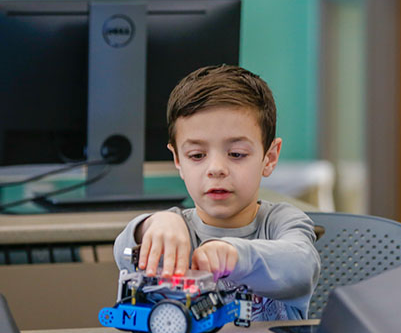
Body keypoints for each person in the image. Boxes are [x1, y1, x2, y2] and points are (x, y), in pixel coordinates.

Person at [113, 64, 320, 320]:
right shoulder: (174, 231)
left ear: (269, 157)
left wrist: (234, 255)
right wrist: (149, 225)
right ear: (178, 159)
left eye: (236, 154)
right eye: (197, 155)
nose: (216, 169)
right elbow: (123, 254)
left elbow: (301, 268)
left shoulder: (282, 222)